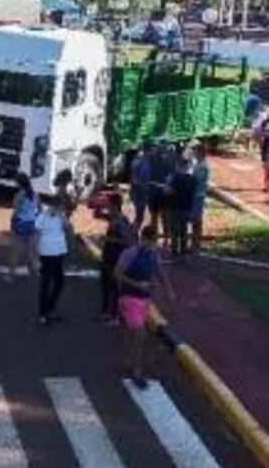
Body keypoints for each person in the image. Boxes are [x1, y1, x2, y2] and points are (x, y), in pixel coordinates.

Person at [115, 226, 176, 389]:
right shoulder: (130, 254)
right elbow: (117, 274)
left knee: (132, 333)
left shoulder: (154, 254)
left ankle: (128, 360)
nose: (152, 245)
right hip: (128, 297)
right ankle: (137, 371)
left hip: (144, 300)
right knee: (140, 333)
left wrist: (169, 290)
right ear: (144, 239)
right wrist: (137, 284)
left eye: (154, 242)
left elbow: (161, 272)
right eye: (150, 241)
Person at [35, 195, 72, 326]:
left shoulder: (61, 216)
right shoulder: (42, 217)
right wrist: (36, 257)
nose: (60, 208)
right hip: (46, 253)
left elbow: (67, 227)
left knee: (59, 282)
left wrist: (61, 215)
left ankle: (50, 308)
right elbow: (37, 236)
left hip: (59, 252)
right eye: (59, 205)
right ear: (52, 205)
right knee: (45, 283)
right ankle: (42, 313)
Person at [101, 194, 134, 325]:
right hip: (109, 256)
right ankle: (107, 312)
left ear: (114, 205)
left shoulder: (120, 221)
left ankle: (115, 314)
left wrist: (109, 239)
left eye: (108, 203)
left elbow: (127, 240)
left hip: (115, 257)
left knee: (114, 286)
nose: (106, 206)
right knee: (106, 285)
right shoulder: (114, 218)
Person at [164, 156, 196, 260]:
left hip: (174, 208)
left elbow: (167, 192)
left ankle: (174, 251)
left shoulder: (175, 178)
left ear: (178, 166)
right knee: (184, 230)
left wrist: (167, 184)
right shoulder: (192, 179)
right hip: (187, 208)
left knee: (174, 231)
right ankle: (183, 250)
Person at [10, 172, 39, 280]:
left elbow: (16, 212)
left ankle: (11, 276)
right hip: (33, 224)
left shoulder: (19, 195)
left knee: (16, 252)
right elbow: (38, 210)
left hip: (21, 224)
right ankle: (36, 273)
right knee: (33, 252)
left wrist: (12, 225)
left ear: (19, 183)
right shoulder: (35, 194)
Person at [190, 144, 209, 257]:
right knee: (194, 221)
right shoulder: (198, 164)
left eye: (195, 151)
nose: (194, 153)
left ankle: (196, 245)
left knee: (197, 221)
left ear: (200, 153)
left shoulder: (203, 166)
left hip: (198, 196)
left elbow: (196, 180)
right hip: (195, 195)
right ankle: (194, 244)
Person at [130, 145, 152, 231]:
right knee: (140, 214)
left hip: (135, 189)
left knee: (138, 213)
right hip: (141, 190)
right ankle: (134, 231)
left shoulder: (135, 160)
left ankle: (134, 230)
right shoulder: (145, 162)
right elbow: (144, 176)